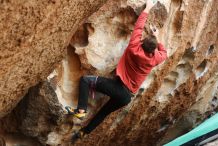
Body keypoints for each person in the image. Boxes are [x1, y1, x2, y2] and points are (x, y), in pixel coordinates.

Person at [65, 0, 167, 142]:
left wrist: (148, 8)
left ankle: (81, 111)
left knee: (85, 80)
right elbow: (164, 53)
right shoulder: (155, 59)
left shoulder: (134, 48)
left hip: (119, 88)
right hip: (126, 97)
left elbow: (138, 28)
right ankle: (83, 133)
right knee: (103, 113)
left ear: (142, 43)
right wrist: (157, 38)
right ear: (153, 50)